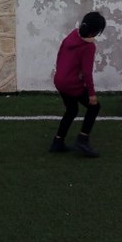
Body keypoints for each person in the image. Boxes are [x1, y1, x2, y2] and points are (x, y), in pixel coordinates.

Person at [49, 11, 106, 157]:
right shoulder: (89, 47)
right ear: (96, 31)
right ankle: (83, 139)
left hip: (60, 80)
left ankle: (58, 142)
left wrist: (62, 72)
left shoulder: (73, 34)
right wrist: (92, 94)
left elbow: (60, 54)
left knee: (72, 110)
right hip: (71, 83)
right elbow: (87, 73)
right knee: (94, 107)